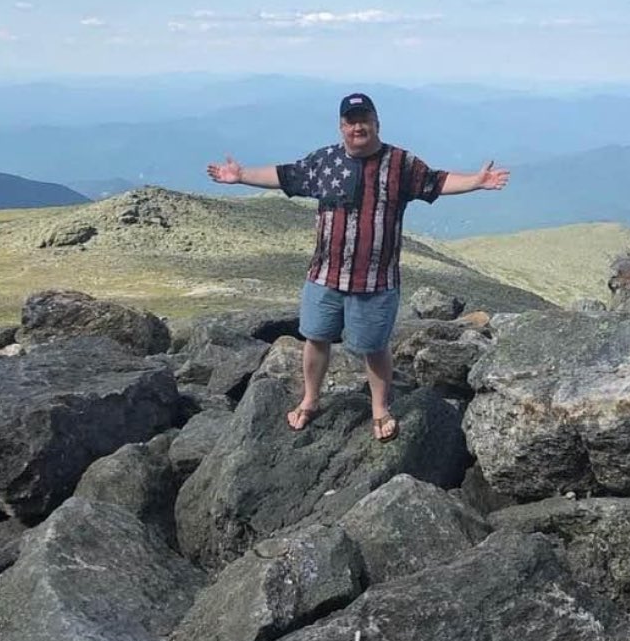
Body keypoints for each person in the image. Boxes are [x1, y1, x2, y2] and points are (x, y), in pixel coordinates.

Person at [206, 92, 509, 442]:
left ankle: (380, 408)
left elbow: (437, 181)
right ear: (341, 127)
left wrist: (475, 181)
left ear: (377, 123)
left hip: (375, 280)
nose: (358, 127)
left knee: (374, 345)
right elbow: (286, 175)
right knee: (316, 338)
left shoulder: (400, 163)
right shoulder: (325, 162)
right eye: (351, 121)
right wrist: (241, 174)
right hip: (325, 274)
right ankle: (310, 399)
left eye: (364, 119)